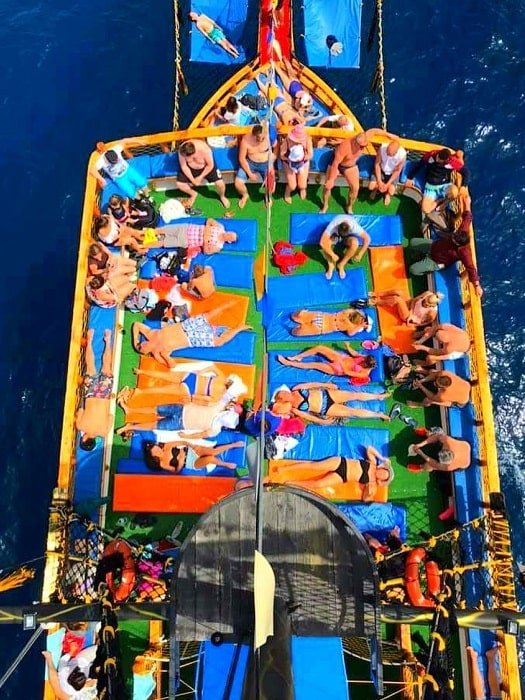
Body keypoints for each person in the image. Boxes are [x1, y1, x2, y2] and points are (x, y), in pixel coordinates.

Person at [408, 194, 483, 297]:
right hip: (434, 246)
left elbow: (471, 268)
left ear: (459, 245)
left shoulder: (465, 253)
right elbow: (467, 217)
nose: (452, 238)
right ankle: (420, 256)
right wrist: (467, 204)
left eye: (454, 240)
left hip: (436, 261)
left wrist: (477, 285)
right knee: (412, 242)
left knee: (413, 269)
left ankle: (428, 270)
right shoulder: (462, 232)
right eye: (454, 236)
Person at [131, 303, 251, 366]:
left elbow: (136, 325)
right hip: (191, 339)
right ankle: (239, 328)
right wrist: (166, 357)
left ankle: (227, 305)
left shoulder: (150, 334)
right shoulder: (157, 353)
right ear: (146, 352)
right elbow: (172, 366)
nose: (142, 344)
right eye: (141, 348)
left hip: (185, 326)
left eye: (140, 344)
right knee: (219, 342)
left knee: (207, 316)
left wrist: (135, 340)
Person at [266, 446, 393, 499]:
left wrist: (368, 492)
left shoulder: (372, 483)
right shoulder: (372, 463)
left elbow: (365, 499)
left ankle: (291, 483)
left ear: (382, 480)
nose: (381, 474)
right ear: (382, 468)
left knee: (318, 484)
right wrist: (382, 458)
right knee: (314, 466)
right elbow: (369, 448)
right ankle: (285, 469)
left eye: (383, 477)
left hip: (343, 477)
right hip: (341, 463)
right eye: (384, 472)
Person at [321, 127, 397, 213]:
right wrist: (331, 180)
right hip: (337, 164)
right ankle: (325, 205)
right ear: (355, 142)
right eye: (361, 146)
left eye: (365, 145)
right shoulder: (344, 147)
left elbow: (374, 131)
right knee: (327, 186)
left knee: (355, 188)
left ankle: (349, 206)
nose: (363, 148)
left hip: (349, 166)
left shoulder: (365, 137)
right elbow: (335, 164)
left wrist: (389, 135)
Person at [117, 365, 247, 408]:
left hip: (192, 376)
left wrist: (200, 372)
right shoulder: (217, 398)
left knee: (164, 375)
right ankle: (139, 392)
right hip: (190, 389)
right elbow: (201, 398)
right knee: (161, 390)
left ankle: (141, 371)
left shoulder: (222, 378)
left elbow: (212, 367)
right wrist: (191, 398)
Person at [116, 397, 241, 440]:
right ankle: (130, 410)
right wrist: (191, 399)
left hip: (180, 423)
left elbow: (200, 435)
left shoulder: (216, 429)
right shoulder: (219, 406)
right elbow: (204, 401)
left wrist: (186, 436)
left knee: (154, 425)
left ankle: (130, 426)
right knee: (155, 410)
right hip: (182, 409)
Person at [270, 383, 391, 423]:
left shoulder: (296, 389)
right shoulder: (294, 408)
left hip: (327, 394)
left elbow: (312, 384)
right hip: (325, 409)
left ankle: (379, 397)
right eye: (283, 395)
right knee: (352, 412)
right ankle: (378, 414)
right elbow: (308, 416)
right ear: (283, 400)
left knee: (353, 395)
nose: (285, 393)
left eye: (284, 392)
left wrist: (327, 385)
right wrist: (322, 421)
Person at [76, 329, 114, 451]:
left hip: (104, 395)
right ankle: (90, 339)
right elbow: (80, 410)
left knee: (106, 366)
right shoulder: (80, 426)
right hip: (91, 395)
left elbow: (111, 417)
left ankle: (108, 339)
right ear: (84, 439)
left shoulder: (104, 432)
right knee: (90, 366)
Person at [405, 147, 469, 214]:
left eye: (440, 160)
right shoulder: (431, 155)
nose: (438, 160)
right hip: (430, 187)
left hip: (444, 185)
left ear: (446, 160)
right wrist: (410, 178)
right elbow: (419, 165)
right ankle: (440, 200)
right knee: (425, 210)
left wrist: (463, 186)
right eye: (438, 158)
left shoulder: (452, 162)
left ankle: (445, 203)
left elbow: (466, 172)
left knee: (454, 192)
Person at [277, 343, 377, 384]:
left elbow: (347, 372)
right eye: (363, 359)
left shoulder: (364, 373)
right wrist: (348, 347)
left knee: (313, 365)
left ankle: (288, 363)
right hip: (342, 358)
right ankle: (298, 357)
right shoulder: (365, 358)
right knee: (320, 348)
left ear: (366, 365)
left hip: (339, 369)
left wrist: (341, 362)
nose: (362, 360)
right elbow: (355, 354)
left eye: (363, 362)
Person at [175, 139, 230, 209]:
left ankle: (222, 196)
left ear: (193, 154)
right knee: (179, 184)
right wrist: (193, 180)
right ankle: (193, 194)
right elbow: (184, 166)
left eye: (186, 157)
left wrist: (200, 177)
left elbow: (210, 165)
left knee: (220, 184)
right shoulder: (182, 149)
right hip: (190, 168)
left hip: (206, 167)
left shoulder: (205, 150)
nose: (184, 157)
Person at [142, 437, 245, 473]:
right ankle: (225, 464)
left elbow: (182, 442)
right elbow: (176, 471)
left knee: (212, 452)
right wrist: (180, 461)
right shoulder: (162, 463)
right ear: (154, 457)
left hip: (191, 451)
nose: (159, 451)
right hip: (191, 463)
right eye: (156, 452)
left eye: (157, 448)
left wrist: (192, 445)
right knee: (210, 459)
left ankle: (233, 445)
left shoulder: (166, 446)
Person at [235, 124, 277, 208]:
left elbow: (276, 147)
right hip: (250, 163)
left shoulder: (269, 137)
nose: (261, 141)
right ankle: (245, 195)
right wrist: (250, 174)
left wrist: (272, 161)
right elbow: (242, 159)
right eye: (258, 138)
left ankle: (267, 197)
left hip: (266, 163)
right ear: (253, 135)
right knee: (238, 184)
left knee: (271, 188)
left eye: (263, 138)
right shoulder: (245, 141)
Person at [143, 218, 237, 256]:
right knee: (162, 230)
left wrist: (205, 237)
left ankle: (142, 245)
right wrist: (206, 235)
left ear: (229, 241)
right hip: (186, 228)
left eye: (230, 236)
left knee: (163, 243)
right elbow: (209, 220)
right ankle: (141, 233)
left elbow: (206, 251)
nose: (228, 234)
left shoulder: (218, 246)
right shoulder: (220, 227)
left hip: (186, 241)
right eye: (230, 233)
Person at [319, 214, 371, 279]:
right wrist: (332, 255)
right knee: (326, 243)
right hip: (335, 236)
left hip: (346, 238)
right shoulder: (333, 224)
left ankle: (341, 265)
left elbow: (367, 239)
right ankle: (331, 265)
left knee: (355, 243)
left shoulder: (355, 227)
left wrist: (360, 253)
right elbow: (322, 242)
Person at [368, 290, 444, 327]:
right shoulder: (428, 293)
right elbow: (415, 300)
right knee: (398, 292)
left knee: (397, 299)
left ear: (432, 305)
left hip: (408, 317)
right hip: (410, 307)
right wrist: (411, 310)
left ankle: (376, 302)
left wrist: (412, 324)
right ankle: (378, 294)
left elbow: (425, 323)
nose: (424, 303)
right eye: (425, 300)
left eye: (426, 304)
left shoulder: (432, 313)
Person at [279, 124, 313, 203]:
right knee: (292, 186)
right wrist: (290, 158)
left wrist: (303, 158)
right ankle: (288, 190)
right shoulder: (287, 140)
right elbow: (282, 155)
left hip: (302, 162)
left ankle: (302, 189)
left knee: (302, 185)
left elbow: (310, 154)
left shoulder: (307, 139)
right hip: (289, 162)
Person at [369, 140, 407, 206]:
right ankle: (376, 189)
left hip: (392, 173)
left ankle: (387, 194)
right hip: (381, 170)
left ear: (395, 153)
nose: (387, 154)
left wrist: (387, 184)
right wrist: (379, 181)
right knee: (371, 186)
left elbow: (397, 171)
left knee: (391, 192)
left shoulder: (402, 155)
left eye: (390, 154)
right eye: (387, 152)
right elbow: (377, 165)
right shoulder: (382, 148)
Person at [406, 369, 472, 408]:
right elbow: (434, 375)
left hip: (463, 401)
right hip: (467, 386)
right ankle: (423, 371)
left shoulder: (443, 396)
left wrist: (421, 386)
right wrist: (422, 381)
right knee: (433, 371)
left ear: (443, 388)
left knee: (428, 400)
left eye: (437, 385)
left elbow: (432, 397)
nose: (434, 383)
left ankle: (418, 404)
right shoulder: (444, 373)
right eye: (436, 381)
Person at [291, 308, 372, 337]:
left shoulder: (348, 312)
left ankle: (301, 314)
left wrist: (362, 317)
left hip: (321, 316)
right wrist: (360, 326)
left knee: (294, 316)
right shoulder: (350, 326)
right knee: (295, 332)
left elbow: (357, 311)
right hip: (322, 327)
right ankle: (300, 328)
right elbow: (351, 334)